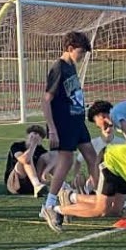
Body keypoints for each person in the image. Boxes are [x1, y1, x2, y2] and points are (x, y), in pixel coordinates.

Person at [39, 31, 99, 232]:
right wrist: (53, 130)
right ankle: (48, 204)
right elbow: (46, 100)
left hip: (77, 121)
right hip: (64, 122)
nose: (82, 56)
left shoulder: (72, 66)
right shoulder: (59, 68)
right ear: (70, 48)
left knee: (92, 157)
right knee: (66, 161)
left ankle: (101, 196)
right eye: (80, 52)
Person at [5, 125, 55, 196]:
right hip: (16, 183)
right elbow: (24, 160)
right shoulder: (17, 146)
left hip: (32, 185)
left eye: (40, 135)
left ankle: (62, 185)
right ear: (28, 135)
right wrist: (33, 145)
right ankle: (37, 185)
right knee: (26, 158)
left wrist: (45, 171)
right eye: (34, 133)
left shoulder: (41, 150)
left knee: (46, 157)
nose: (36, 136)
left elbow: (54, 161)